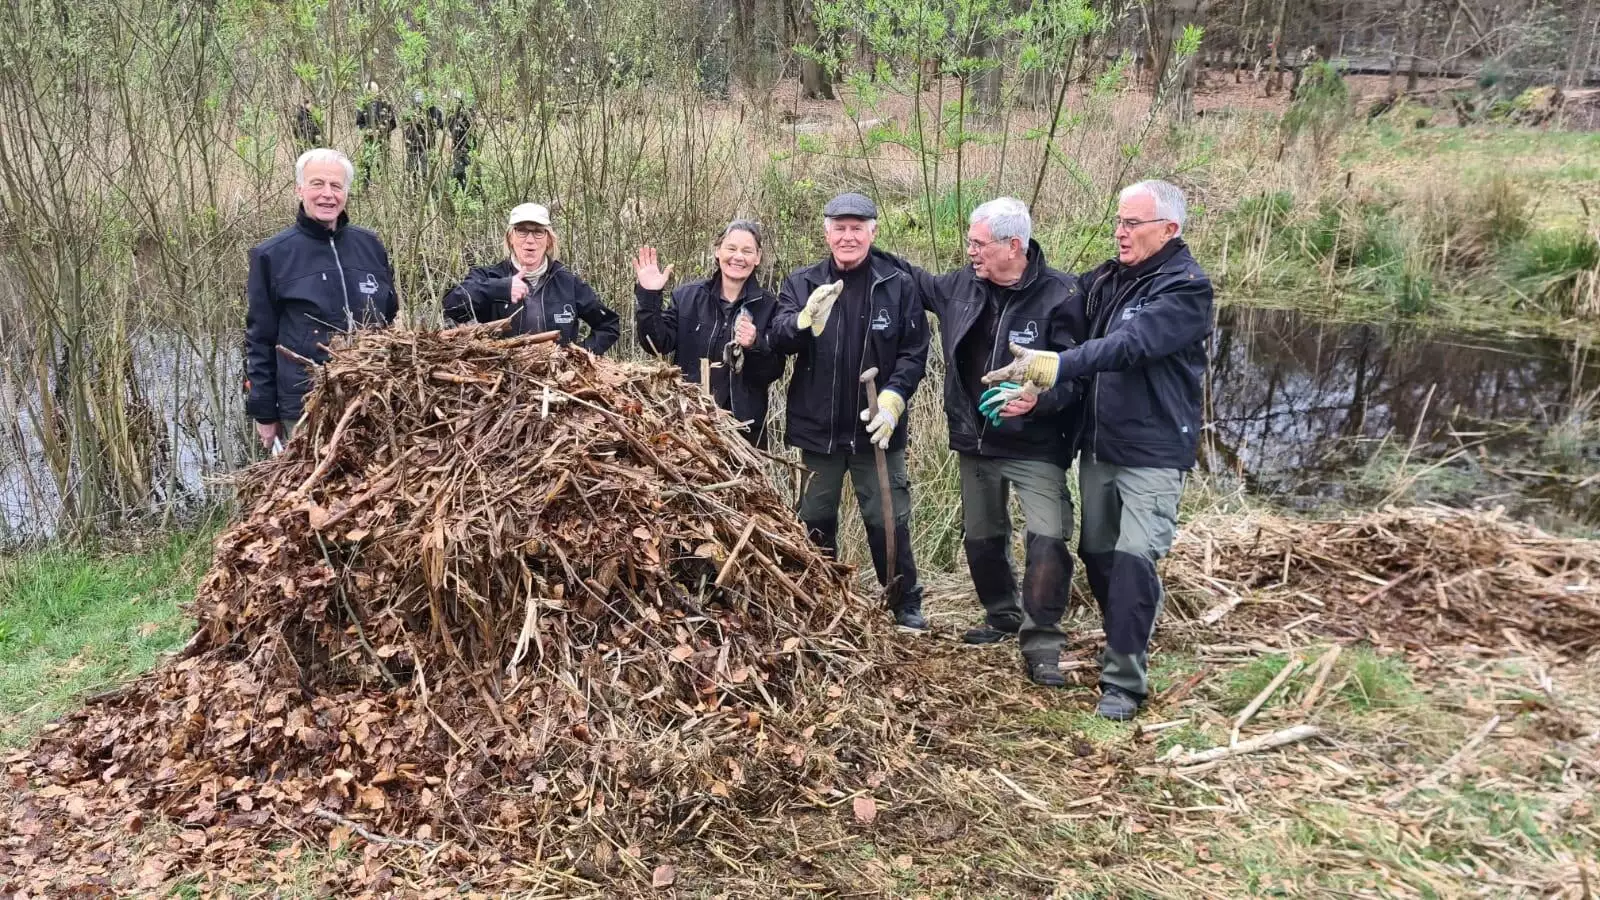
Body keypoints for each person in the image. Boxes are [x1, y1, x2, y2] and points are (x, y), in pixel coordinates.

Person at [984, 179, 1214, 720]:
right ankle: (1124, 637)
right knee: (1100, 554)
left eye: (1132, 223)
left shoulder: (1185, 289)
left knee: (1135, 558)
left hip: (1154, 452)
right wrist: (1034, 389)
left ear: (1169, 229)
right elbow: (1062, 314)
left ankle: (1125, 682)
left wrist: (1054, 364)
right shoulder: (1106, 281)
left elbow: (1128, 347)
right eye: (1119, 220)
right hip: (1101, 447)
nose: (1120, 231)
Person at [894, 197, 1088, 686]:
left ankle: (1042, 641)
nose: (970, 252)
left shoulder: (1061, 295)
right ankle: (1001, 615)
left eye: (979, 244)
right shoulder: (962, 284)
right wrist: (862, 241)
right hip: (973, 439)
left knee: (1047, 537)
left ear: (1013, 246)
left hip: (1034, 444)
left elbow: (1079, 376)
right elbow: (916, 280)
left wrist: (1037, 403)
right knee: (981, 536)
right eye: (970, 242)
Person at [769, 192, 930, 630]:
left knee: (888, 519)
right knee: (815, 520)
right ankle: (822, 601)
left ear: (873, 231)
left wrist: (895, 398)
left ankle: (903, 603)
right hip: (817, 431)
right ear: (826, 232)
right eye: (839, 227)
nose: (847, 236)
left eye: (857, 227)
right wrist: (803, 320)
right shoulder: (802, 282)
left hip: (876, 432)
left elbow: (915, 352)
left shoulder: (897, 283)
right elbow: (779, 337)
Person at [245, 148, 397, 449]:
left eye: (336, 186)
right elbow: (259, 339)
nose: (327, 194)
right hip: (304, 405)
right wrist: (264, 412)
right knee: (312, 491)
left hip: (371, 397)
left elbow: (390, 315)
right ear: (299, 189)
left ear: (346, 192)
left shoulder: (370, 245)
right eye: (317, 184)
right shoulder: (272, 255)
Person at [633, 221, 786, 447]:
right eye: (731, 248)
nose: (738, 257)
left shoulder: (770, 307)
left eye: (747, 251)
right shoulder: (687, 297)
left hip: (743, 432)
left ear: (758, 257)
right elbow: (656, 343)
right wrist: (649, 297)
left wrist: (754, 345)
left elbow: (773, 371)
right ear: (717, 251)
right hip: (687, 424)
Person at [442, 203, 620, 353]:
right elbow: (452, 306)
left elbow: (609, 326)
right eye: (522, 231)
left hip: (559, 384)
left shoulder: (567, 283)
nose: (530, 240)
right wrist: (499, 288)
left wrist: (576, 355)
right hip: (504, 382)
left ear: (548, 239)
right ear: (510, 238)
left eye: (538, 232)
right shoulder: (489, 276)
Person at [355, 82, 396, 189]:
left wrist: (382, 131)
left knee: (382, 162)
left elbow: (393, 123)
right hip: (368, 140)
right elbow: (359, 122)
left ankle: (384, 185)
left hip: (383, 140)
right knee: (367, 162)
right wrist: (366, 131)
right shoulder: (362, 105)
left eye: (371, 90)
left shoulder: (385, 104)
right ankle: (365, 186)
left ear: (377, 91)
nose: (369, 93)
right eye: (367, 91)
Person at [401, 91, 444, 185]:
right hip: (413, 144)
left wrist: (432, 122)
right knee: (411, 172)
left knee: (426, 171)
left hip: (427, 146)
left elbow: (442, 125)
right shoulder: (412, 110)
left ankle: (428, 189)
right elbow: (404, 120)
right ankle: (413, 191)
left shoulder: (434, 111)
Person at [446, 93, 475, 192]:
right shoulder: (451, 117)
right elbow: (450, 131)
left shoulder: (466, 116)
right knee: (459, 172)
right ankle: (458, 193)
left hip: (468, 149)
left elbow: (472, 130)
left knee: (472, 173)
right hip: (457, 150)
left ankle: (468, 193)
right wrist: (450, 140)